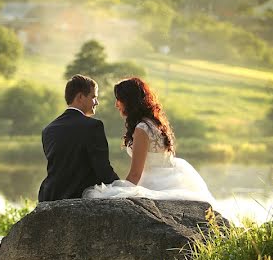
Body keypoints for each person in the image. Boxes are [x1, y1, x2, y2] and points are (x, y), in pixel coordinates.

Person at [82, 77, 215, 204]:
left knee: (99, 194)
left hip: (155, 183)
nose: (116, 104)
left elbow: (135, 174)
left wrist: (119, 191)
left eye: (119, 99)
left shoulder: (142, 128)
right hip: (170, 177)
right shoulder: (154, 123)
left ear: (129, 101)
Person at [39, 74, 120, 202]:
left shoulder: (48, 130)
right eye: (93, 97)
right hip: (80, 195)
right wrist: (122, 188)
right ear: (80, 97)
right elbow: (103, 170)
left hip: (50, 195)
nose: (97, 102)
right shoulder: (93, 126)